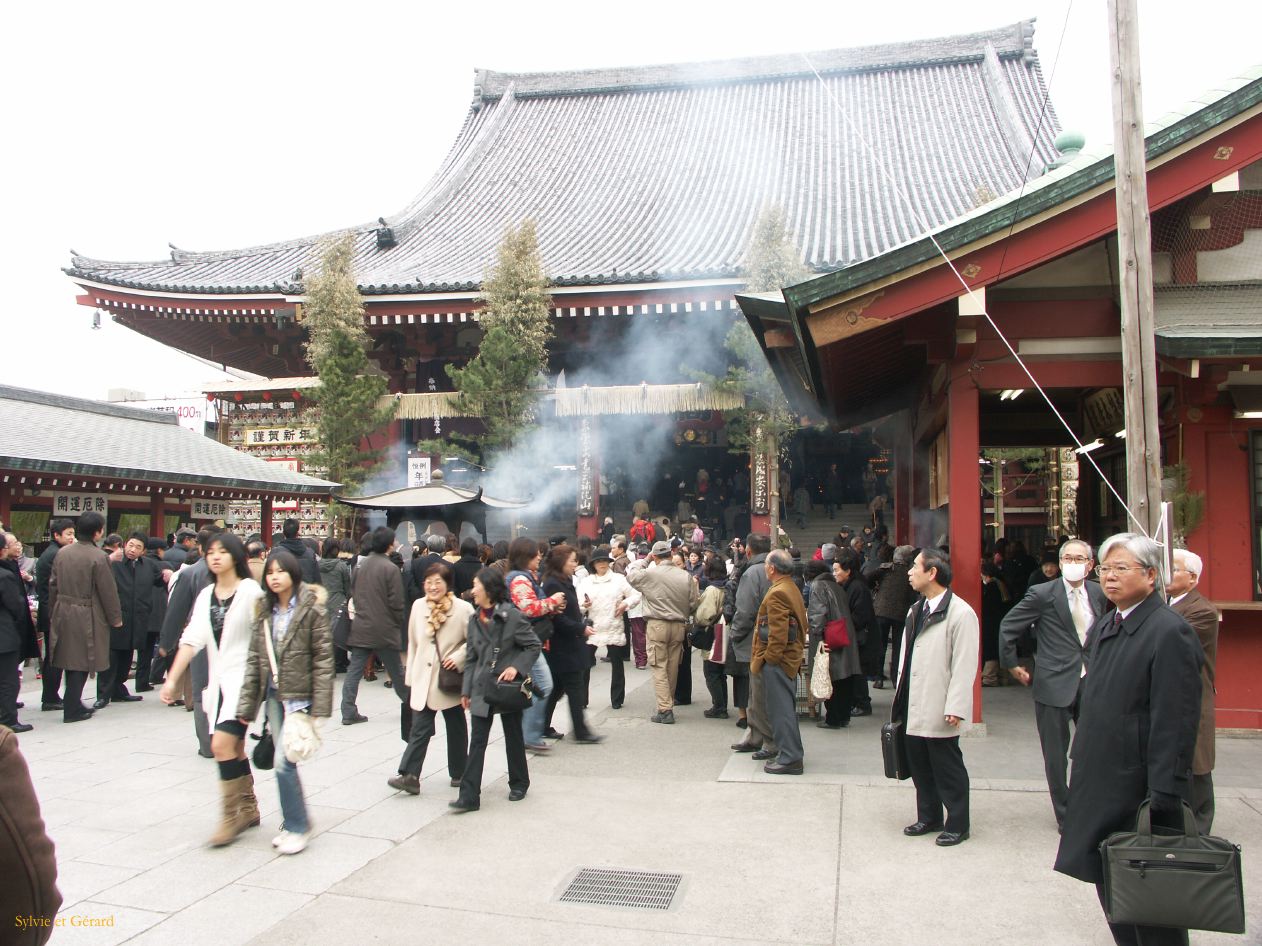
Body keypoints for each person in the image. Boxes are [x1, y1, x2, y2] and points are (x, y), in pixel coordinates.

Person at [1055, 533, 1203, 946]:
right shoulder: (1110, 621)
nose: (1110, 577)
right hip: (1100, 777)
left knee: (1151, 900)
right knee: (1112, 886)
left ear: (1151, 576)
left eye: (1122, 568)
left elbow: (1176, 721)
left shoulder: (1169, 631)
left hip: (1139, 786)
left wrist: (1164, 793)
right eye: (1105, 569)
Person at [159, 533, 266, 847]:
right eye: (211, 552)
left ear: (236, 557)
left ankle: (230, 816)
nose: (215, 557)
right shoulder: (206, 595)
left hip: (246, 682)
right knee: (234, 747)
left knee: (220, 745)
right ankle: (249, 807)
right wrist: (172, 679)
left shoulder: (250, 591)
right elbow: (192, 638)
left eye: (223, 551)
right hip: (219, 683)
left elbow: (266, 635)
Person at [999, 538, 1108, 829]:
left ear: (1090, 565)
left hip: (1091, 679)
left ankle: (1089, 804)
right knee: (1056, 755)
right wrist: (1012, 664)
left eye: (1079, 559)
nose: (1073, 563)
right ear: (1060, 564)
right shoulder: (1042, 593)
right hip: (1053, 681)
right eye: (1068, 558)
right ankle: (1065, 813)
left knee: (1095, 748)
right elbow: (1009, 625)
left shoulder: (1099, 593)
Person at [235, 548, 333, 855]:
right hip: (274, 697)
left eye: (281, 571)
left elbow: (323, 660)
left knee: (283, 763)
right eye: (270, 572)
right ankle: (298, 821)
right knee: (285, 762)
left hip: (299, 698)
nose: (274, 577)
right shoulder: (264, 610)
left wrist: (320, 707)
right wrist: (246, 707)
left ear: (294, 573)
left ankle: (297, 827)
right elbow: (255, 660)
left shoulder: (311, 609)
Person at [895, 548, 978, 847]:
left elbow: (965, 665)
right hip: (914, 699)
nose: (909, 572)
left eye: (915, 566)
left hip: (939, 702)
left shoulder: (961, 613)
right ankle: (929, 816)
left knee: (947, 765)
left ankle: (958, 823)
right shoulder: (916, 610)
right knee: (919, 763)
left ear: (932, 573)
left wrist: (956, 706)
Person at [450, 568, 541, 813]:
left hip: (506, 686)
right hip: (482, 685)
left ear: (489, 589)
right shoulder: (474, 619)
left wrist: (516, 667)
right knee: (477, 740)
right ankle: (469, 796)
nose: (472, 590)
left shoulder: (512, 616)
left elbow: (533, 645)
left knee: (513, 734)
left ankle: (519, 782)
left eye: (476, 585)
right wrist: (466, 690)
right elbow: (471, 658)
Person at [389, 562, 471, 795]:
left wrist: (458, 658)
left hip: (448, 678)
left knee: (456, 725)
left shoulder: (463, 609)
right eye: (428, 582)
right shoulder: (418, 606)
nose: (432, 587)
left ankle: (459, 771)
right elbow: (413, 643)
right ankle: (410, 775)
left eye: (438, 582)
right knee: (420, 727)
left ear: (448, 584)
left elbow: (476, 640)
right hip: (424, 679)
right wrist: (411, 677)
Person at [48, 511, 123, 724]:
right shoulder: (98, 556)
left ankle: (73, 702)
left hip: (62, 609)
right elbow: (108, 591)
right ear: (98, 532)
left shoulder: (63, 553)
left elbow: (53, 584)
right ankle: (72, 708)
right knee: (82, 660)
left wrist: (53, 610)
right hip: (86, 612)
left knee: (68, 658)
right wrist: (115, 618)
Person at [1168, 549, 1219, 836]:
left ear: (1192, 578)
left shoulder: (1202, 610)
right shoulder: (1166, 603)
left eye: (1174, 569)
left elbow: (1173, 641)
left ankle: (1200, 827)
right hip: (1168, 697)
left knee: (1197, 764)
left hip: (1192, 697)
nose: (1167, 574)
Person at [159, 527, 220, 756]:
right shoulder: (234, 573)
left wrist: (166, 643)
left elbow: (176, 612)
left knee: (202, 688)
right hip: (224, 641)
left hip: (199, 641)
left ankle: (207, 744)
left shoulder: (191, 573)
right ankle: (225, 739)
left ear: (199, 547)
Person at [341, 526, 408, 726]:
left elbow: (353, 593)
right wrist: (396, 623)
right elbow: (397, 603)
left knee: (354, 671)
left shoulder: (360, 566)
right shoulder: (390, 568)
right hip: (384, 628)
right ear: (389, 545)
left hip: (362, 625)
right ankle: (412, 706)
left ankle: (348, 710)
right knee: (397, 672)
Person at [626, 540, 698, 724]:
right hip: (679, 625)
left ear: (655, 556)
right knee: (673, 667)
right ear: (671, 554)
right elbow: (693, 603)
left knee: (659, 666)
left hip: (657, 623)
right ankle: (668, 703)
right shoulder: (685, 576)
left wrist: (645, 560)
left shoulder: (650, 574)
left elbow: (631, 575)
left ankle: (665, 709)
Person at [505, 536, 564, 749]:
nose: (539, 558)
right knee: (543, 685)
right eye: (535, 555)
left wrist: (551, 606)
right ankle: (529, 735)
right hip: (525, 640)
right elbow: (528, 608)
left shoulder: (524, 577)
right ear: (525, 556)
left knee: (537, 686)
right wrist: (552, 602)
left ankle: (527, 733)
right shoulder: (520, 579)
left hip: (526, 639)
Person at [752, 549, 807, 774]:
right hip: (787, 659)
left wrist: (770, 659)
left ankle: (790, 757)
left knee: (780, 711)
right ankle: (790, 753)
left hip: (780, 662)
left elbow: (778, 633)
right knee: (784, 709)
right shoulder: (790, 587)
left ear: (772, 568)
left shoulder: (778, 592)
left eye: (766, 564)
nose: (765, 568)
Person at [541, 545, 602, 742]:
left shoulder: (565, 581)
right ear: (561, 562)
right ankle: (581, 731)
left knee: (557, 688)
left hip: (569, 643)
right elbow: (557, 618)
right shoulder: (552, 584)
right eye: (572, 561)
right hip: (561, 645)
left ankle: (542, 725)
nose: (575, 564)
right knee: (574, 687)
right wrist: (580, 628)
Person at [98, 531, 165, 708]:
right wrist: (109, 559)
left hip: (138, 619)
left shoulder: (148, 565)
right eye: (131, 545)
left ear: (143, 551)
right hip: (116, 617)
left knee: (127, 656)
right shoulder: (113, 561)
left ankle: (119, 690)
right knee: (111, 656)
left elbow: (160, 580)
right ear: (124, 544)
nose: (133, 550)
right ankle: (103, 694)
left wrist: (168, 573)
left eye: (138, 547)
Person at [577, 548, 639, 710]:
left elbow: (636, 595)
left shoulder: (619, 579)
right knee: (585, 664)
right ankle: (581, 699)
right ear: (593, 565)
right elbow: (578, 604)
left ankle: (617, 699)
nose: (602, 564)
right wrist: (584, 605)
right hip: (593, 627)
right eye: (598, 561)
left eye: (605, 561)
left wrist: (625, 604)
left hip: (613, 625)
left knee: (617, 664)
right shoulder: (586, 582)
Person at [728, 533, 771, 747]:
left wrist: (734, 633)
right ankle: (756, 735)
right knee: (761, 692)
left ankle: (759, 736)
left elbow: (745, 610)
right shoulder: (774, 570)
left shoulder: (752, 572)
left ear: (748, 550)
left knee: (757, 693)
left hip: (756, 637)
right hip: (772, 636)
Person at [806, 559, 859, 730]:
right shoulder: (836, 586)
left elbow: (817, 615)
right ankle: (843, 716)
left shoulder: (817, 586)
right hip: (844, 634)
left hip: (830, 637)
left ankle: (833, 718)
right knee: (844, 677)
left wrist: (817, 635)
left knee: (831, 676)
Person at [33, 517, 75, 711]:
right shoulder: (55, 554)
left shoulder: (54, 552)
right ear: (56, 535)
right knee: (55, 656)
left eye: (73, 533)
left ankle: (51, 696)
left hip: (52, 610)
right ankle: (50, 697)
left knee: (55, 655)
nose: (72, 537)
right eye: (68, 534)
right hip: (54, 612)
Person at [0, 534, 39, 732]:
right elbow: (16, 606)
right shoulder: (5, 575)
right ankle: (8, 720)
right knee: (8, 679)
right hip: (4, 634)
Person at [832, 549, 876, 717]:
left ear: (848, 571)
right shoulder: (848, 586)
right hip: (853, 635)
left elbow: (860, 616)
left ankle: (863, 704)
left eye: (836, 570)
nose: (834, 573)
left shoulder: (858, 588)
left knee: (858, 672)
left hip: (860, 637)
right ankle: (856, 701)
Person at [872, 544, 916, 690]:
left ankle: (878, 677)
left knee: (880, 645)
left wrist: (876, 587)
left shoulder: (886, 569)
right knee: (898, 647)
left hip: (881, 611)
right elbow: (914, 593)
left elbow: (867, 578)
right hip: (900, 613)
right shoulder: (910, 572)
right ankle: (896, 678)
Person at [136, 536, 173, 692]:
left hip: (144, 612)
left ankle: (142, 682)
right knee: (168, 648)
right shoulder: (165, 566)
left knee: (144, 651)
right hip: (162, 612)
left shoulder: (140, 565)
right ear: (159, 550)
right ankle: (172, 681)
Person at [694, 558, 728, 718]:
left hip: (712, 633)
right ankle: (722, 705)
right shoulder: (727, 587)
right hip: (724, 631)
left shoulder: (712, 590)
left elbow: (704, 615)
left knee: (711, 672)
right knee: (720, 673)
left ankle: (719, 706)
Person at [276, 518, 320, 585]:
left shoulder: (276, 552)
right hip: (306, 590)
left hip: (284, 590)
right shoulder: (310, 553)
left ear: (283, 533)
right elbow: (317, 580)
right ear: (297, 533)